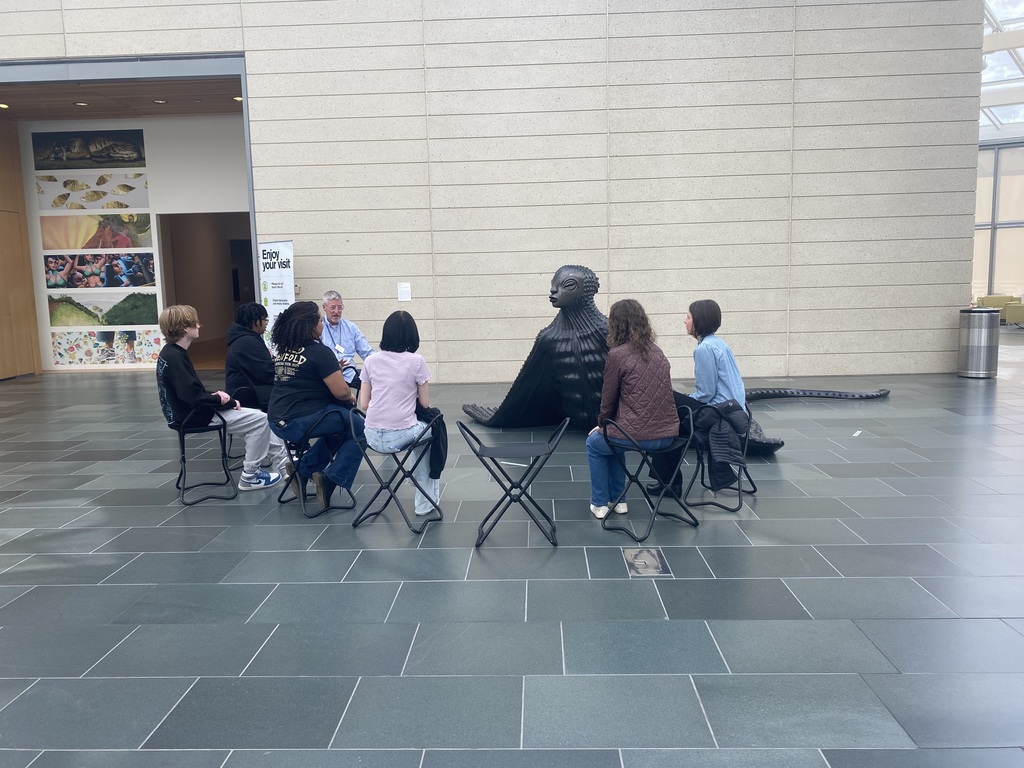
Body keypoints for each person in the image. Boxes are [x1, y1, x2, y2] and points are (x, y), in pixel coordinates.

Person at [156, 304, 286, 491]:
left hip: (188, 413)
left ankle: (283, 464)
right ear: (185, 328)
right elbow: (192, 396)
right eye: (195, 323)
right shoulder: (175, 356)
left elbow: (190, 391)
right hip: (194, 416)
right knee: (261, 420)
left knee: (257, 419)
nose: (199, 325)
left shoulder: (171, 352)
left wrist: (216, 396)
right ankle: (251, 475)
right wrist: (223, 400)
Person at [586, 299, 679, 520]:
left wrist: (601, 426)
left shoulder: (617, 355)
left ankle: (599, 503)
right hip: (669, 436)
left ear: (616, 324)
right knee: (612, 443)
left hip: (637, 436)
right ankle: (619, 501)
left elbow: (607, 401)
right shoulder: (657, 351)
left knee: (595, 444)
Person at [268, 301, 364, 511]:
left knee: (340, 429)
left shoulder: (285, 352)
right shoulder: (320, 352)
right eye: (320, 320)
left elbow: (304, 378)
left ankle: (302, 470)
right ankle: (330, 479)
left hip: (276, 420)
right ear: (310, 326)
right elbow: (341, 392)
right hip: (301, 421)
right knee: (359, 428)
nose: (322, 324)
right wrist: (350, 396)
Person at [648, 298, 747, 495]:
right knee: (669, 414)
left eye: (688, 317)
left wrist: (685, 397)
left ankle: (670, 483)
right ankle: (669, 482)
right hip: (733, 408)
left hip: (718, 411)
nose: (684, 321)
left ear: (698, 321)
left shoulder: (704, 349)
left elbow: (706, 394)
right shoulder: (718, 344)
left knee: (664, 406)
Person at [359, 310, 440, 516]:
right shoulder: (416, 361)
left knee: (420, 434)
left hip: (371, 436)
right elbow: (424, 402)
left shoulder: (370, 361)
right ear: (412, 335)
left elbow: (364, 404)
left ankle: (415, 476)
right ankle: (424, 500)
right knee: (431, 431)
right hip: (401, 436)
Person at [225, 302, 275, 411]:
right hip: (248, 397)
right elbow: (266, 372)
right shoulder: (247, 341)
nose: (266, 323)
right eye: (264, 319)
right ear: (255, 321)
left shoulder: (244, 338)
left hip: (245, 394)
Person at [319, 290, 375, 387]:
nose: (336, 312)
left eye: (340, 308)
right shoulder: (319, 327)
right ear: (324, 307)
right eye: (332, 307)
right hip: (327, 377)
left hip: (350, 375)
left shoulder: (350, 327)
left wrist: (382, 362)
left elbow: (366, 352)